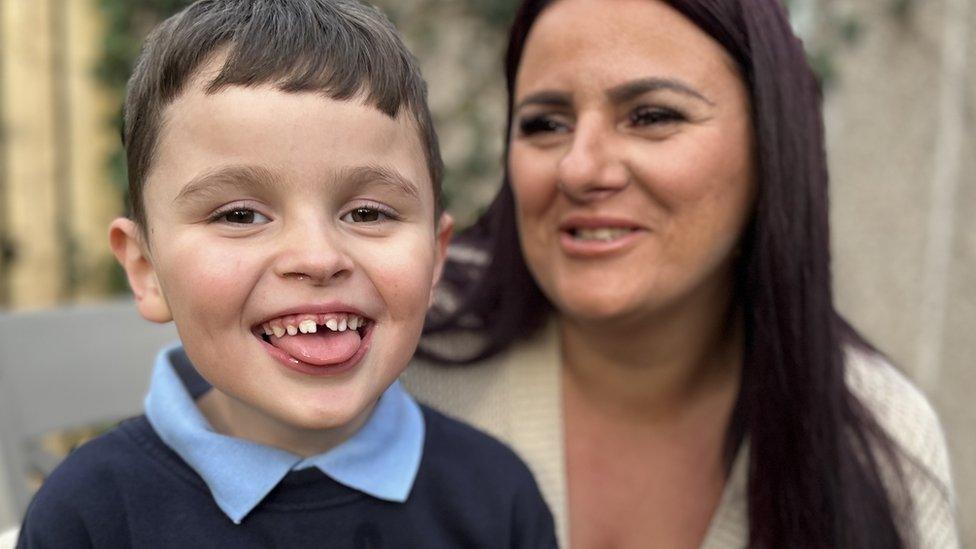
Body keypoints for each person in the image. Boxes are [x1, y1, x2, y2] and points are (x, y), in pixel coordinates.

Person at [404, 0, 960, 547]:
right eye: (545, 123)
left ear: (771, 142)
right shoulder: (402, 358)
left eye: (652, 116)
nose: (580, 168)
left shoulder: (880, 442)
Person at [15, 1, 557, 547]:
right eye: (240, 216)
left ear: (435, 258)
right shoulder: (87, 519)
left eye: (367, 213)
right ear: (146, 269)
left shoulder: (496, 496)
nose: (318, 258)